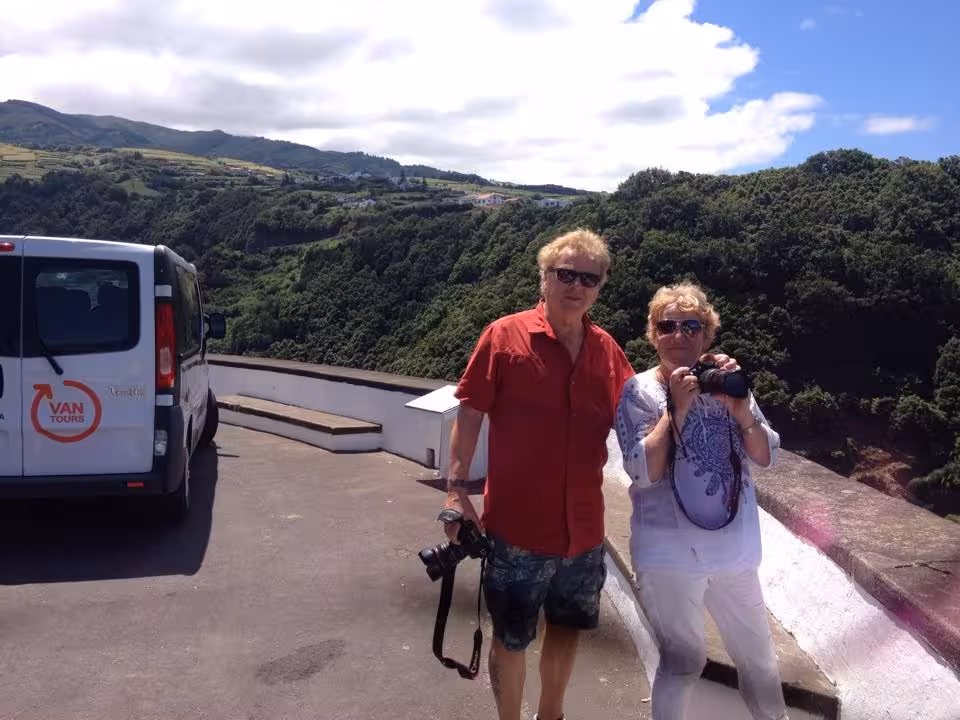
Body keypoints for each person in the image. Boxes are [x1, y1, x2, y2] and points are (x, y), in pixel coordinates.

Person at [441, 228, 635, 720]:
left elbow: (642, 412)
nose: (577, 285)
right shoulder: (503, 336)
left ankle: (551, 715)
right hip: (517, 530)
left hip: (584, 532)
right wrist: (455, 493)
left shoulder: (607, 350)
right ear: (544, 277)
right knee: (511, 638)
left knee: (566, 631)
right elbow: (469, 415)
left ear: (601, 285)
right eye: (565, 274)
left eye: (588, 278)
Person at [615, 282, 788, 720]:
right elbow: (641, 471)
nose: (679, 334)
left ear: (707, 335)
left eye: (691, 325)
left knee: (761, 660)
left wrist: (741, 407)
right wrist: (676, 408)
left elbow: (765, 457)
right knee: (683, 663)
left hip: (735, 554)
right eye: (667, 325)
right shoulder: (638, 392)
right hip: (669, 557)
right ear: (653, 334)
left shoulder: (726, 382)